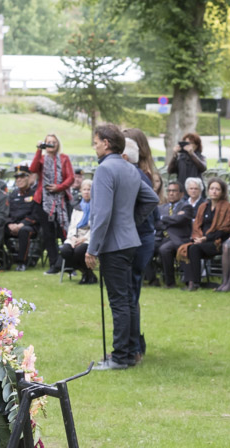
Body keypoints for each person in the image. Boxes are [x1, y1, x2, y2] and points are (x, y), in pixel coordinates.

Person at [85, 123, 159, 371]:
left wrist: (92, 248)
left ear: (106, 143)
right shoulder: (129, 167)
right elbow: (151, 198)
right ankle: (127, 353)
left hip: (113, 245)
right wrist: (130, 220)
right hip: (130, 241)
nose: (94, 147)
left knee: (119, 302)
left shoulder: (105, 169)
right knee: (127, 300)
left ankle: (119, 356)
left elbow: (102, 213)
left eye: (96, 142)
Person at [123, 127, 163, 361]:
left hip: (140, 237)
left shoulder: (140, 173)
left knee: (130, 294)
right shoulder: (141, 172)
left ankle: (134, 346)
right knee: (131, 294)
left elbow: (151, 206)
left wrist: (130, 222)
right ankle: (135, 342)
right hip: (143, 236)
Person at [178, 179, 230, 291]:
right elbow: (197, 226)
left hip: (218, 242)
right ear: (208, 190)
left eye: (217, 189)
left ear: (222, 192)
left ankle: (194, 282)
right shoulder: (203, 206)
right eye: (212, 188)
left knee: (194, 249)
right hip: (201, 241)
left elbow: (225, 229)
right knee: (185, 247)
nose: (214, 191)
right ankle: (191, 282)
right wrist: (198, 238)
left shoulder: (228, 207)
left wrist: (205, 238)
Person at [31, 134, 74, 274]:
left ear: (58, 144)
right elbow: (32, 169)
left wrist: (59, 187)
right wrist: (38, 150)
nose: (50, 144)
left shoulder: (64, 158)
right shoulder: (42, 159)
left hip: (61, 200)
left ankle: (69, 264)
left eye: (53, 142)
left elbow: (71, 178)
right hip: (43, 201)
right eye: (48, 142)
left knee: (64, 232)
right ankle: (54, 264)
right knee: (48, 234)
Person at [156, 180, 201, 288]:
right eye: (169, 191)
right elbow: (156, 223)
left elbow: (181, 219)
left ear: (181, 194)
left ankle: (170, 282)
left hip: (179, 239)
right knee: (144, 246)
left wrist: (164, 219)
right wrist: (172, 219)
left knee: (165, 249)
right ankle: (152, 279)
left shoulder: (186, 207)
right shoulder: (161, 208)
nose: (171, 193)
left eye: (174, 191)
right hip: (162, 237)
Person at [4, 165, 41, 270]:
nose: (19, 180)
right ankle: (7, 257)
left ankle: (21, 262)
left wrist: (21, 225)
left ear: (29, 178)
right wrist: (10, 224)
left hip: (29, 226)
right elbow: (6, 212)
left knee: (24, 231)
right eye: (17, 177)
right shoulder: (12, 195)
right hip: (13, 225)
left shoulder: (35, 194)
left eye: (22, 177)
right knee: (0, 229)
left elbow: (35, 215)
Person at [60, 179, 96, 284]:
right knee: (65, 251)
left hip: (88, 237)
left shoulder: (97, 207)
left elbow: (96, 227)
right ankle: (87, 272)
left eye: (89, 189)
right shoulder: (77, 207)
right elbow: (72, 225)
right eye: (84, 189)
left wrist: (85, 238)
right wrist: (73, 237)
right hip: (75, 236)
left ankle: (86, 274)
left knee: (79, 251)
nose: (86, 192)